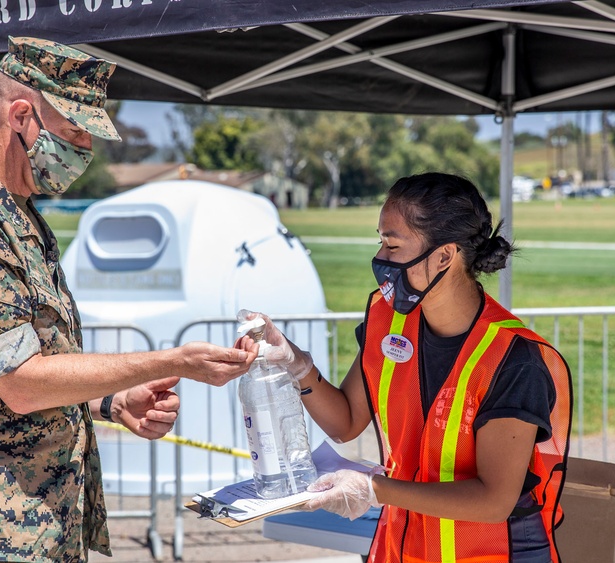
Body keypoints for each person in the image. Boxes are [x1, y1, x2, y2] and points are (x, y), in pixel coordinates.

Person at [0, 37, 254, 563]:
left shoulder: (18, 218)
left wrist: (111, 402)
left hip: (31, 519)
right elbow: (21, 382)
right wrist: (175, 360)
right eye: (74, 129)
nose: (85, 147)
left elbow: (24, 365)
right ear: (21, 115)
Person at [239, 173, 572, 563]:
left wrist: (374, 489)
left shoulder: (513, 358)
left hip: (491, 553)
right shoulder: (389, 323)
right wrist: (297, 364)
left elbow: (494, 499)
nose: (381, 259)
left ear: (445, 256)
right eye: (380, 242)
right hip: (401, 547)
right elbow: (345, 422)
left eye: (392, 245)